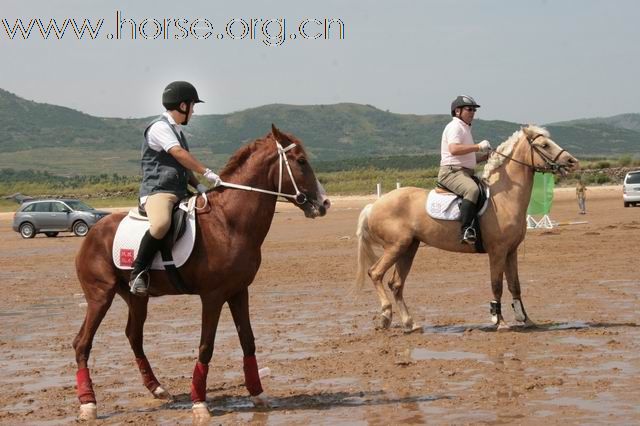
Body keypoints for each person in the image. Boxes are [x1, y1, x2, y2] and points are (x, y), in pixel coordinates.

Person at [129, 81, 221, 296]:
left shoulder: (176, 130)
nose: (194, 110)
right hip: (158, 192)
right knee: (161, 224)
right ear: (182, 106)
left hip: (180, 192)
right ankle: (138, 272)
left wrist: (199, 186)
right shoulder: (160, 127)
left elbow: (182, 166)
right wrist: (207, 172)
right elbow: (179, 154)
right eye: (192, 105)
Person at [438, 95, 492, 245]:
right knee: (472, 190)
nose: (473, 112)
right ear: (457, 111)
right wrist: (478, 146)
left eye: (474, 110)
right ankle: (466, 230)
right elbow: (454, 149)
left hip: (465, 172)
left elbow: (468, 158)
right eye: (469, 109)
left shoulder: (465, 128)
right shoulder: (455, 126)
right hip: (451, 172)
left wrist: (487, 156)